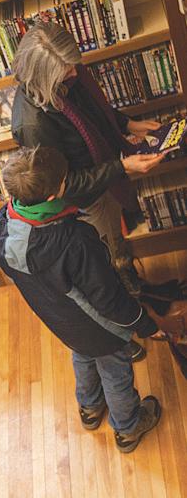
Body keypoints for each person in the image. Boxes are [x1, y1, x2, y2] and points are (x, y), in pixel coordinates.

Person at [0, 146, 170, 453]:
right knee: (116, 371)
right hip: (98, 326)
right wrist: (146, 325)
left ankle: (90, 407)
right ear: (53, 196)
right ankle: (128, 427)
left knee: (83, 355)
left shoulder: (2, 224)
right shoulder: (75, 240)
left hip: (60, 319)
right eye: (65, 179)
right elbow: (109, 300)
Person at [10, 22, 167, 298]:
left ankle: (139, 291)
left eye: (73, 64)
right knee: (109, 258)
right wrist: (122, 167)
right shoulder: (33, 125)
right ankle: (138, 305)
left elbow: (93, 112)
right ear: (43, 74)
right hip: (88, 198)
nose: (75, 72)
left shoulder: (67, 81)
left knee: (117, 241)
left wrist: (128, 124)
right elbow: (61, 184)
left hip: (105, 178)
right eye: (66, 69)